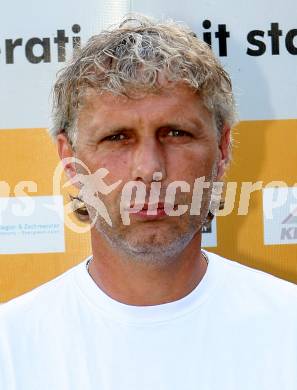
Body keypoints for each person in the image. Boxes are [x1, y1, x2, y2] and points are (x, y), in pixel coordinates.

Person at [1, 14, 297, 390]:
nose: (150, 168)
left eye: (176, 133)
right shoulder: (11, 348)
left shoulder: (289, 328)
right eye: (117, 138)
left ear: (222, 149)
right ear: (70, 159)